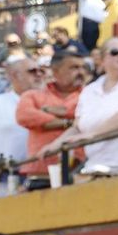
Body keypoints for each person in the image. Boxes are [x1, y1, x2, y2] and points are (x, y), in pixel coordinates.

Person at [41, 38, 118, 175]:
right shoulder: (90, 90)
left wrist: (92, 135)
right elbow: (78, 127)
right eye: (115, 52)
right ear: (102, 59)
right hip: (95, 168)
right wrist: (55, 145)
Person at [16, 50, 85, 178]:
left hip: (81, 170)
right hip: (41, 170)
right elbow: (24, 116)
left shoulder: (91, 94)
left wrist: (54, 113)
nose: (81, 72)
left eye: (83, 67)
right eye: (74, 67)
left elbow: (90, 117)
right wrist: (69, 122)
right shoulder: (32, 95)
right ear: (56, 71)